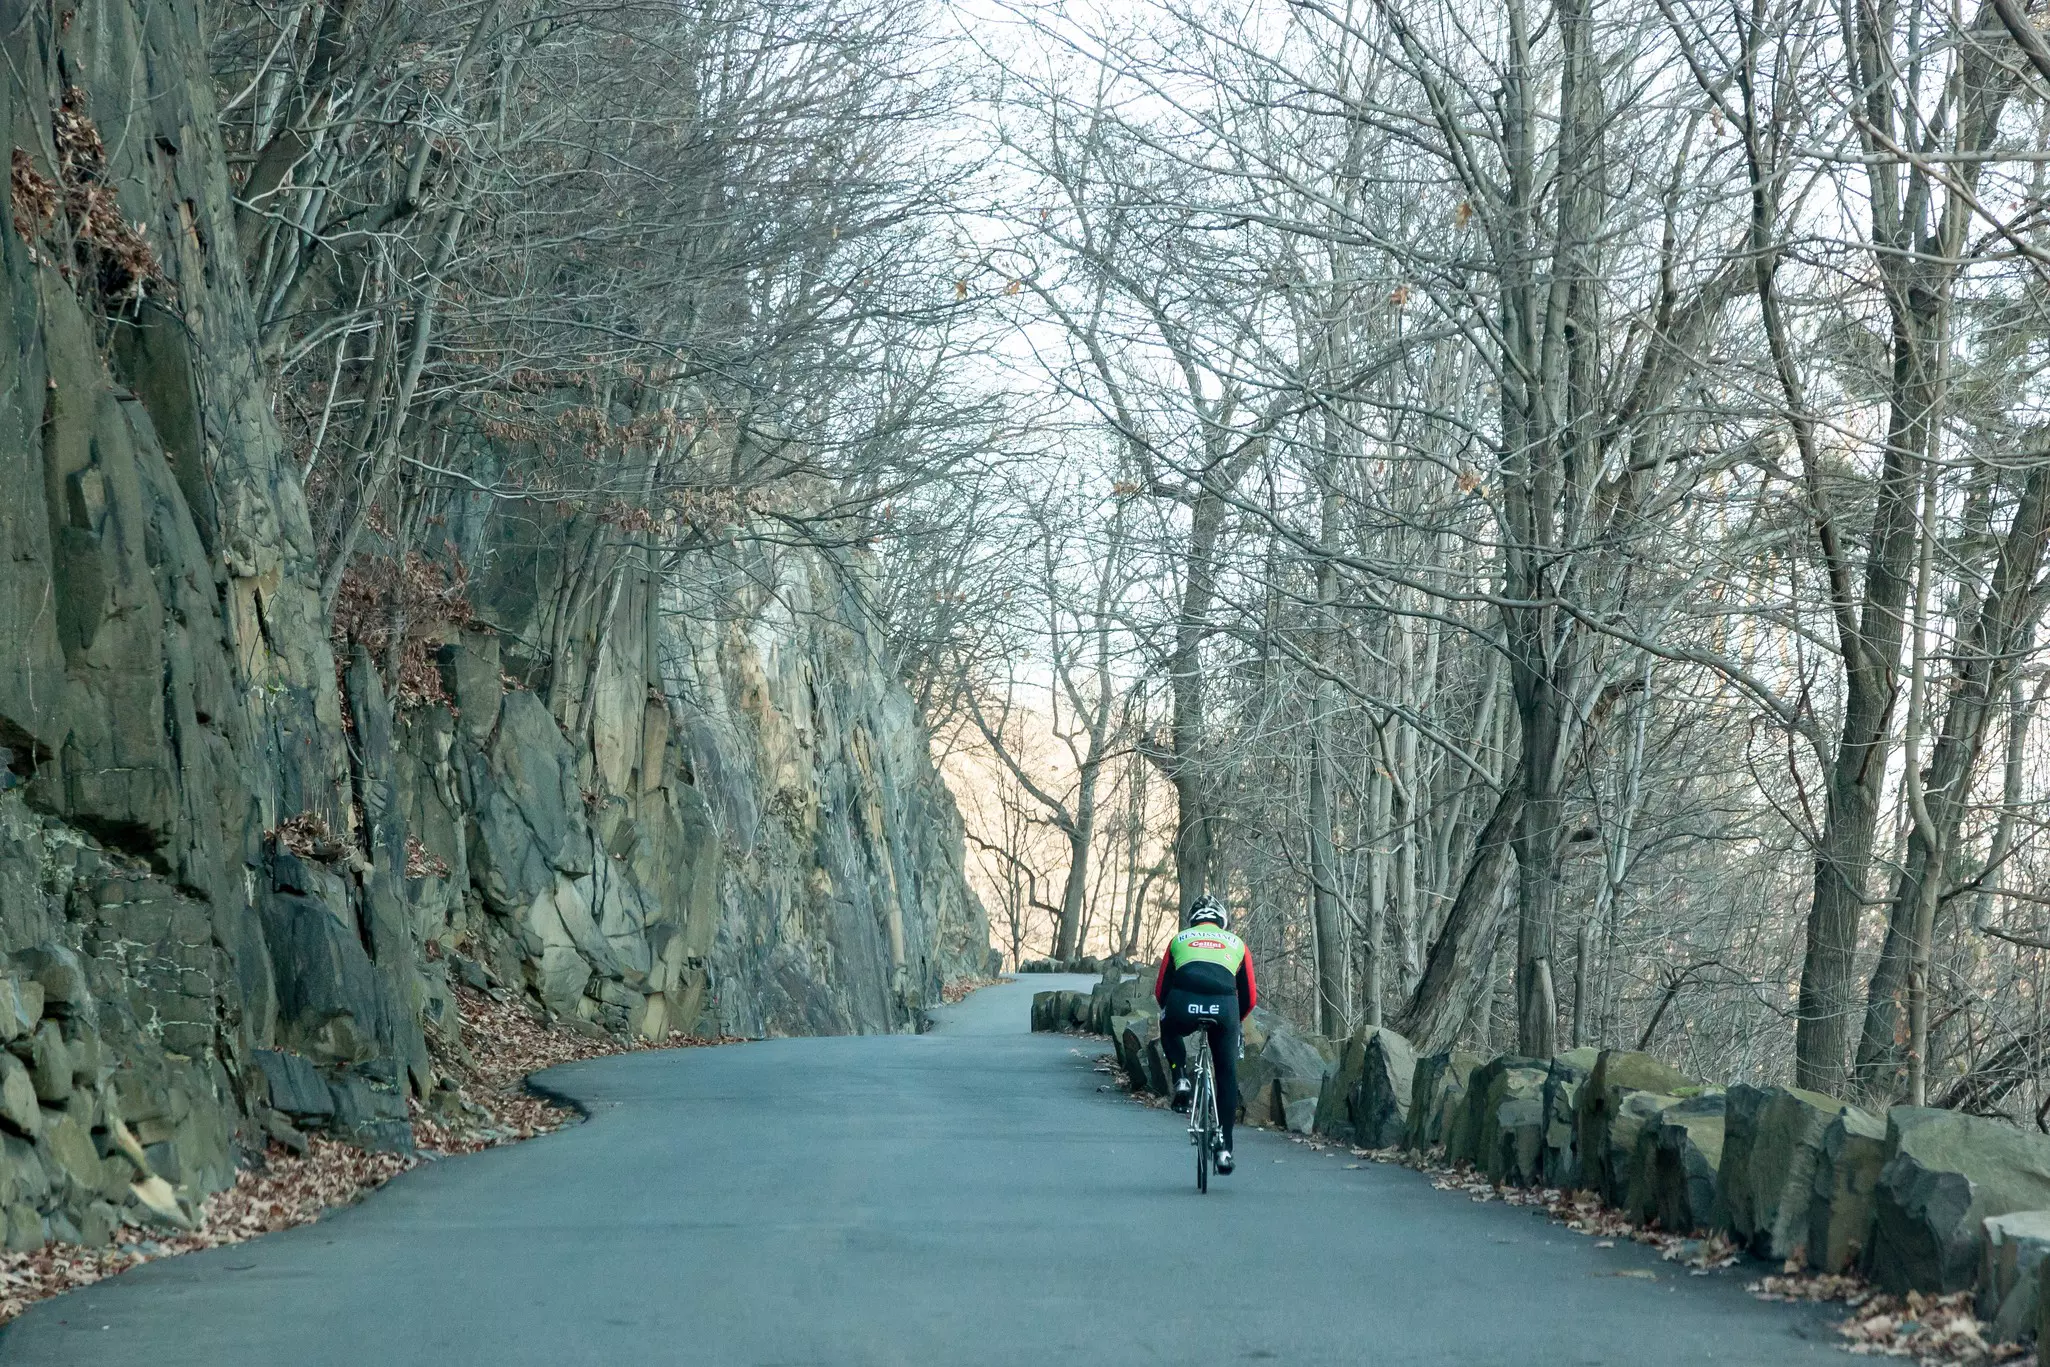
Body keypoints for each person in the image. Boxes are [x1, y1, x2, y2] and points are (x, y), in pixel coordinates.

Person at [1152, 893, 1256, 1175]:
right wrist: (1234, 1023)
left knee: (1168, 1026)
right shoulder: (1237, 944)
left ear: (1193, 921)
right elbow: (1249, 996)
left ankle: (1181, 1078)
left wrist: (1170, 1011)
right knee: (1226, 1073)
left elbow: (1161, 990)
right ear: (1221, 921)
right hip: (1224, 1008)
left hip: (1183, 1002)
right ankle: (1224, 1149)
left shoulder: (1179, 940)